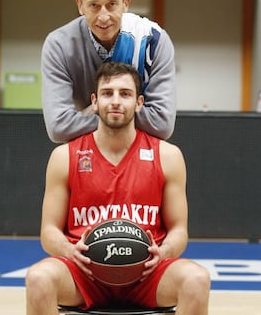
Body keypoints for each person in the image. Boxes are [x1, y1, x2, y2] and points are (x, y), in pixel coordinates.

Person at [26, 62, 210, 315]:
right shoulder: (64, 156)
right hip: (84, 273)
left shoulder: (168, 156)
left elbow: (179, 229)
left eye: (125, 94)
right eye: (107, 93)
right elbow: (48, 232)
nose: (115, 101)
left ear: (139, 102)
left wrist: (164, 251)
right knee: (38, 279)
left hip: (147, 273)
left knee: (197, 280)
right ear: (94, 100)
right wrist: (70, 251)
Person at [42, 0, 177, 143]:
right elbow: (58, 128)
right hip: (86, 153)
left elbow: (162, 124)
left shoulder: (152, 40)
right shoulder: (58, 45)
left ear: (125, 3)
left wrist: (94, 110)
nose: (103, 16)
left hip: (139, 153)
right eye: (94, 6)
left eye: (111, 4)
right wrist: (124, 110)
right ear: (80, 5)